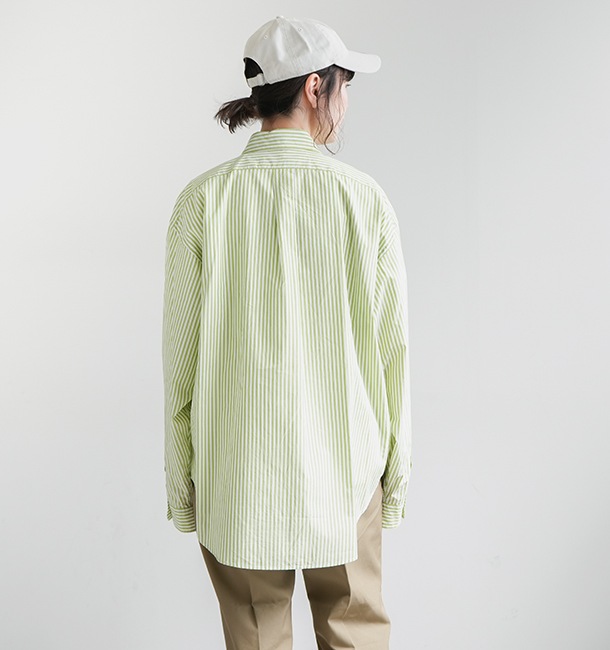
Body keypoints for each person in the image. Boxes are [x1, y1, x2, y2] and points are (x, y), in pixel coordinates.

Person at [162, 15, 413, 650]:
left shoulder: (202, 201)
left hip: (236, 472)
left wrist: (182, 482)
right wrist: (396, 475)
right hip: (347, 471)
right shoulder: (363, 199)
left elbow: (180, 361)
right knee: (356, 635)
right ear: (314, 87)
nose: (345, 103)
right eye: (344, 85)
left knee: (255, 637)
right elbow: (393, 352)